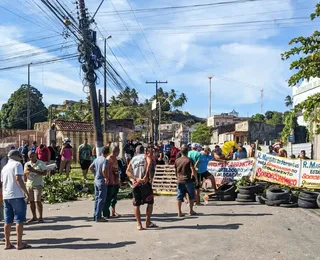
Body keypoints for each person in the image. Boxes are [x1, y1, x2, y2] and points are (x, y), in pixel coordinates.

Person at [1, 150, 30, 250]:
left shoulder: (4, 168)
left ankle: (7, 243)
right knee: (19, 219)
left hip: (6, 196)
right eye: (19, 156)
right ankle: (19, 243)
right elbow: (18, 179)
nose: (20, 158)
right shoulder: (17, 165)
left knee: (7, 220)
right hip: (17, 195)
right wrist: (26, 192)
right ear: (15, 156)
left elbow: (2, 183)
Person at [126, 145, 157, 230]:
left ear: (136, 152)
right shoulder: (145, 156)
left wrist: (135, 178)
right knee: (150, 202)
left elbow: (127, 171)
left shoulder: (133, 159)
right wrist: (146, 175)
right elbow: (150, 162)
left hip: (136, 183)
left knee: (136, 204)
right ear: (144, 151)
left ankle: (139, 225)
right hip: (145, 182)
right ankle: (147, 222)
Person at [24, 151, 47, 223]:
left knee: (37, 201)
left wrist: (35, 171)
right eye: (30, 156)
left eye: (33, 156)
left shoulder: (40, 163)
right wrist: (27, 173)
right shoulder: (27, 164)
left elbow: (45, 173)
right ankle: (34, 217)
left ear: (36, 155)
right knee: (31, 201)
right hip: (29, 184)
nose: (32, 158)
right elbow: (24, 174)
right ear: (28, 157)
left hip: (38, 185)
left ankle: (40, 217)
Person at [175, 145, 198, 217]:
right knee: (191, 195)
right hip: (188, 180)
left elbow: (175, 171)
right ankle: (191, 210)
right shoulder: (189, 160)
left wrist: (177, 177)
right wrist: (196, 179)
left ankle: (179, 212)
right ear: (187, 152)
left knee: (179, 196)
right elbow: (193, 169)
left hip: (179, 180)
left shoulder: (177, 160)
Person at [89, 146, 110, 222]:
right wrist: (106, 177)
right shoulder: (105, 160)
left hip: (96, 180)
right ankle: (98, 217)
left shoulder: (97, 159)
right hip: (102, 181)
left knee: (97, 198)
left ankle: (95, 215)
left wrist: (95, 173)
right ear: (107, 153)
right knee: (101, 199)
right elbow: (104, 169)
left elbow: (90, 167)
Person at [103, 146, 121, 219]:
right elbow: (105, 170)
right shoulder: (108, 159)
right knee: (108, 198)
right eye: (118, 152)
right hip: (110, 181)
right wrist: (106, 178)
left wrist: (118, 179)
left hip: (115, 181)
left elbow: (116, 170)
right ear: (115, 151)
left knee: (114, 198)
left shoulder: (115, 159)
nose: (118, 153)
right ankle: (106, 213)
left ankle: (113, 211)